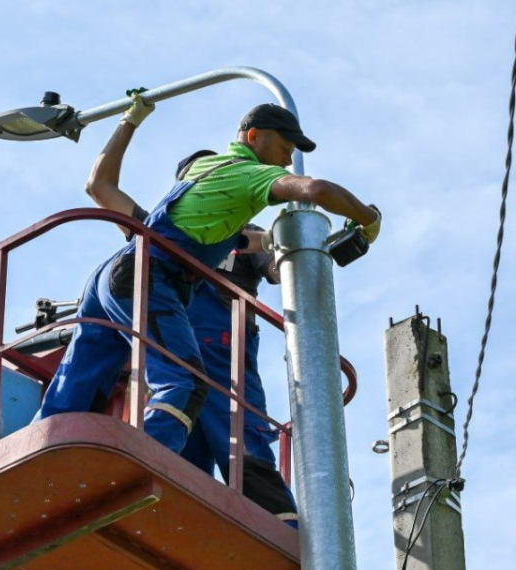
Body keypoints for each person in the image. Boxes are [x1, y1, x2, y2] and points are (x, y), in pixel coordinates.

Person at [34, 96, 381, 460]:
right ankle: (138, 462)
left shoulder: (205, 191)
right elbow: (317, 190)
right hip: (151, 282)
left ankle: (39, 453)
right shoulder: (248, 175)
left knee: (80, 379)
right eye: (284, 147)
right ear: (253, 137)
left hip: (113, 279)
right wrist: (368, 219)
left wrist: (129, 120)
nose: (287, 159)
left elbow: (249, 242)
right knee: (183, 382)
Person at [83, 97, 296, 522]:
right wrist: (129, 121)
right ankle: (168, 502)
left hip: (219, 347)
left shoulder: (243, 235)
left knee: (236, 438)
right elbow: (100, 188)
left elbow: (276, 263)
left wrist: (287, 240)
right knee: (207, 440)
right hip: (179, 340)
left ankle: (277, 526)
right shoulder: (164, 226)